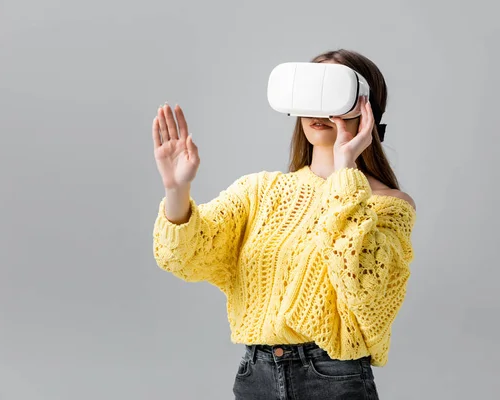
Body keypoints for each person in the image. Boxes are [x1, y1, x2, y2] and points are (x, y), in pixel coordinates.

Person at [150, 49, 417, 400]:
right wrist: (177, 188)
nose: (319, 109)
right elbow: (183, 256)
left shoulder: (388, 205)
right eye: (310, 93)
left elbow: (362, 285)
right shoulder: (260, 191)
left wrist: (346, 164)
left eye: (332, 93)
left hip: (333, 378)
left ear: (365, 107)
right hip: (256, 375)